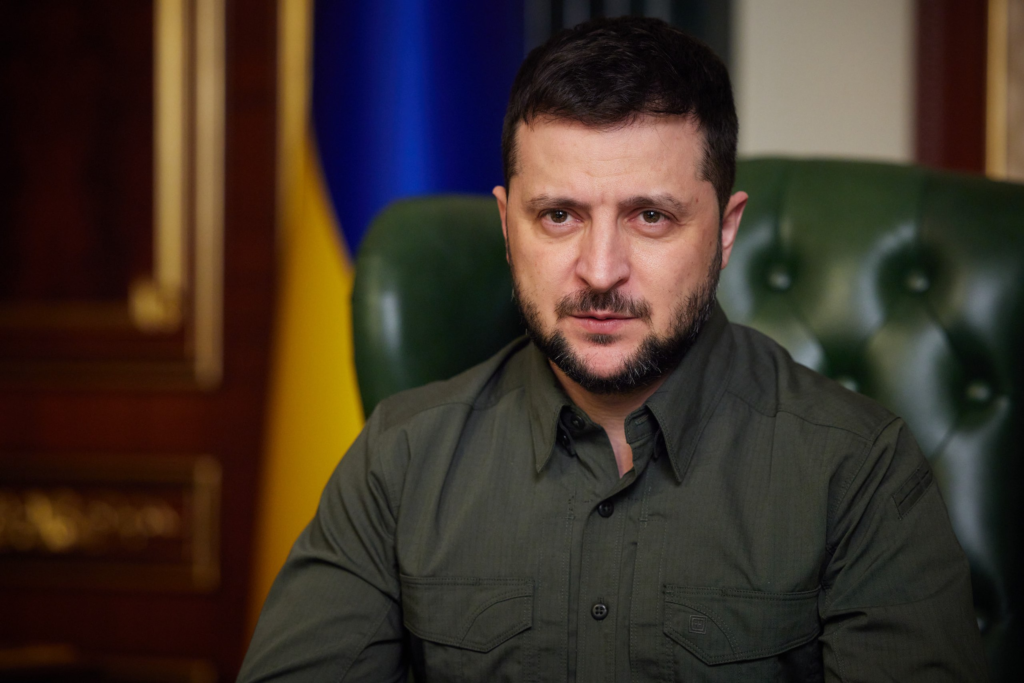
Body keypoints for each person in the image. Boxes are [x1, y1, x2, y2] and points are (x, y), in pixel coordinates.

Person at [240, 16, 987, 682]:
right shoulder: (398, 461)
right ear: (507, 227)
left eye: (651, 216)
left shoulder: (858, 473)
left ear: (725, 231)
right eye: (558, 215)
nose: (600, 270)